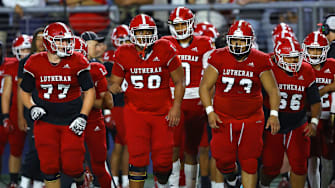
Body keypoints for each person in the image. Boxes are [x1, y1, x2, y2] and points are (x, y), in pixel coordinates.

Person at [199, 20, 280, 188]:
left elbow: (273, 90)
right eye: (235, 40)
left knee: (250, 162)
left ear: (250, 41)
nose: (237, 44)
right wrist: (209, 111)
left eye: (242, 40)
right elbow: (205, 87)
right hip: (223, 117)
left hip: (251, 118)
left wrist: (273, 114)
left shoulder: (260, 59)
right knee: (223, 162)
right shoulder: (219, 56)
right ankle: (231, 178)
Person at [109, 14, 185, 188]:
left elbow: (180, 80)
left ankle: (164, 183)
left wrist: (176, 106)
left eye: (147, 31)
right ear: (132, 33)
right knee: (137, 157)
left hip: (162, 112)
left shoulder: (165, 47)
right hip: (135, 112)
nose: (144, 36)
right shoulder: (123, 52)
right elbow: (115, 82)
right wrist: (112, 86)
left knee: (164, 163)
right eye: (140, 32)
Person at [19, 22, 96, 188]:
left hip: (71, 120)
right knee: (49, 167)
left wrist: (83, 116)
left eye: (67, 41)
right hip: (45, 121)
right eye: (60, 41)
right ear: (48, 42)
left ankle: (82, 179)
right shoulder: (35, 62)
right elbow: (24, 91)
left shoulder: (77, 60)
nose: (66, 45)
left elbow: (89, 91)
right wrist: (32, 107)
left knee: (72, 165)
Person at [162, 7, 214, 188]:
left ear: (191, 24)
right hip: (172, 98)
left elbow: (210, 76)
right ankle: (175, 184)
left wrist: (209, 102)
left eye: (184, 24)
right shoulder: (164, 43)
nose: (180, 28)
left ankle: (190, 185)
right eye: (177, 25)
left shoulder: (205, 43)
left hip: (196, 100)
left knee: (192, 149)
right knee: (173, 147)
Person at [259, 37, 321, 188]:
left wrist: (313, 122)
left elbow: (315, 101)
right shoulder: (269, 68)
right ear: (279, 57)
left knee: (300, 165)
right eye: (288, 57)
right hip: (273, 122)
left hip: (297, 122)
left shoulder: (306, 70)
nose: (293, 61)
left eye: (296, 57)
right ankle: (263, 185)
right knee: (271, 166)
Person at [74, 36, 113, 188]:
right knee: (69, 166)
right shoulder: (55, 70)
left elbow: (108, 103)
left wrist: (85, 100)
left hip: (92, 121)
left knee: (98, 166)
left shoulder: (95, 68)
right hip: (66, 121)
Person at [303, 31, 335, 188]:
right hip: (309, 118)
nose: (315, 53)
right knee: (311, 160)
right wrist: (328, 87)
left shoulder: (332, 64)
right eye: (311, 49)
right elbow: (307, 97)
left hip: (329, 118)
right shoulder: (300, 66)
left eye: (318, 49)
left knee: (328, 160)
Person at [0, 34, 31, 188]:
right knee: (14, 148)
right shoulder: (10, 66)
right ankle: (14, 180)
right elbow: (6, 94)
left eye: (27, 49)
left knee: (33, 150)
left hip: (32, 110)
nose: (25, 52)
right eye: (23, 49)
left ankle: (31, 180)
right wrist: (6, 116)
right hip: (14, 111)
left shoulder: (38, 63)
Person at [17, 27, 46, 188]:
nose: (41, 42)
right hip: (32, 109)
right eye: (38, 38)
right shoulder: (25, 62)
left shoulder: (54, 59)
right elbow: (21, 91)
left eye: (44, 38)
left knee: (47, 148)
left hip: (52, 109)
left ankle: (39, 181)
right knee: (35, 148)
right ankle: (25, 180)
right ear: (33, 41)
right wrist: (21, 116)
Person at [107, 24, 131, 188]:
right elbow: (104, 81)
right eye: (121, 40)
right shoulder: (110, 58)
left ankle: (121, 180)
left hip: (128, 104)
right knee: (122, 144)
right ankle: (118, 179)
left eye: (127, 40)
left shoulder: (133, 55)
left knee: (123, 144)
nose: (124, 43)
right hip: (117, 105)